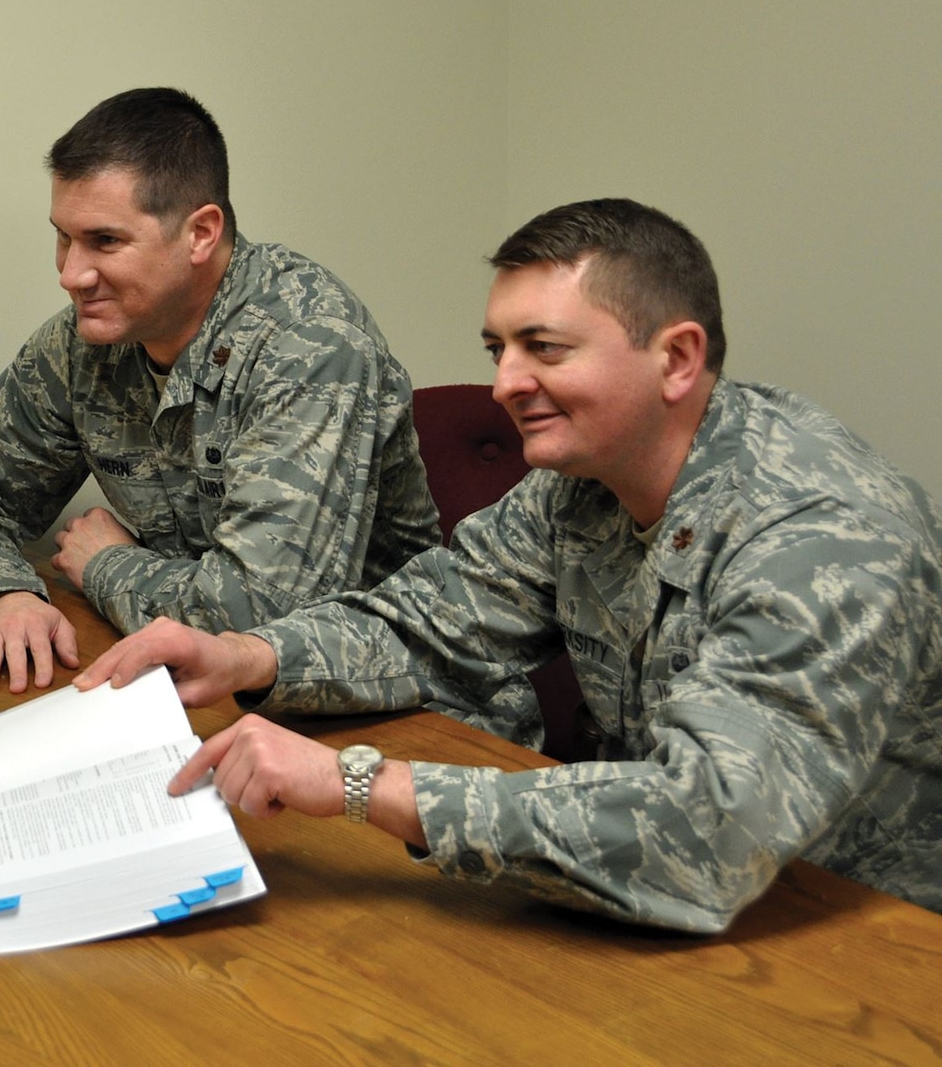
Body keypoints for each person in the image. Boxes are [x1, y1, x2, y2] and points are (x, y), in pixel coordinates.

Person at [78, 198, 942, 932]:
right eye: (499, 349)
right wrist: (248, 656)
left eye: (545, 347)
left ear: (676, 358)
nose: (505, 382)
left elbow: (712, 830)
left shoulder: (824, 530)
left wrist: (354, 782)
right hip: (656, 911)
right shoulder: (579, 484)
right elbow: (431, 619)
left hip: (865, 940)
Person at [0, 88, 442, 694]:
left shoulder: (311, 345)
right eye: (64, 236)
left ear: (200, 234)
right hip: (194, 700)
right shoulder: (85, 344)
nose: (69, 274)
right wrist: (4, 594)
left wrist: (105, 564)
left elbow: (256, 623)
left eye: (105, 242)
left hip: (393, 714)